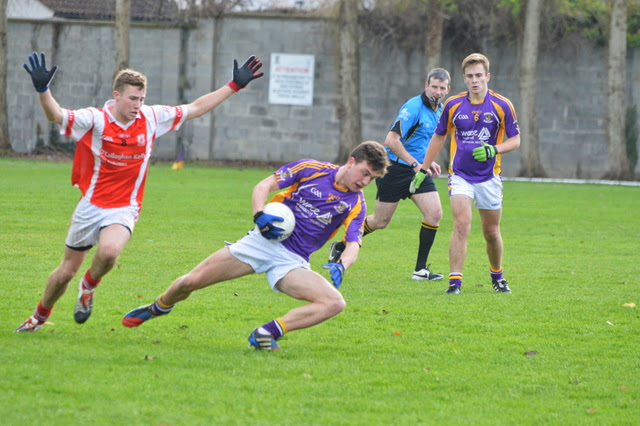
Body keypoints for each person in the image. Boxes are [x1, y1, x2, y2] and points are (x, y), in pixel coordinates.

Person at [15, 52, 264, 332]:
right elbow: (55, 115)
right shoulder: (95, 120)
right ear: (117, 96)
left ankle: (88, 287)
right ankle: (38, 317)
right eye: (133, 99)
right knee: (64, 273)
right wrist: (42, 90)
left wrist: (234, 86)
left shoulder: (151, 118)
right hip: (91, 205)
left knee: (109, 252)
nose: (138, 104)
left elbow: (195, 108)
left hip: (125, 206)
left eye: (142, 99)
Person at [121, 141, 389, 351]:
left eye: (372, 178)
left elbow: (354, 242)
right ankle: (159, 306)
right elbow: (265, 184)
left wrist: (342, 264)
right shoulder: (311, 169)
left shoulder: (356, 202)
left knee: (334, 302)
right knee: (187, 283)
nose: (365, 182)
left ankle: (267, 333)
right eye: (365, 173)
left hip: (292, 261)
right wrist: (259, 214)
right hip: (262, 242)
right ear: (351, 161)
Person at [410, 53, 520, 294]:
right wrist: (423, 167)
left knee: (491, 233)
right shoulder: (454, 105)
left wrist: (494, 149)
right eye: (470, 76)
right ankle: (455, 282)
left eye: (479, 75)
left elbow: (516, 140)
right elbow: (439, 137)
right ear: (464, 79)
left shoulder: (502, 105)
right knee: (461, 225)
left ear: (487, 76)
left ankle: (498, 276)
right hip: (460, 175)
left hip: (490, 177)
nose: (474, 80)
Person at [327, 68, 451, 281]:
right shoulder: (413, 107)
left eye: (442, 88)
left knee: (434, 213)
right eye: (434, 87)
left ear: (447, 90)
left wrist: (428, 163)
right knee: (380, 221)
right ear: (426, 86)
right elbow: (391, 140)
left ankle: (420, 270)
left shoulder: (440, 110)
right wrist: (414, 163)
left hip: (418, 170)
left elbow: (421, 141)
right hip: (394, 169)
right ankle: (340, 245)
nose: (437, 92)